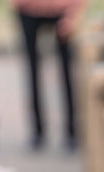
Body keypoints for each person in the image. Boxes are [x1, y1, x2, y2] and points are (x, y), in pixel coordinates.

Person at [11, 0, 88, 150]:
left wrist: (73, 14)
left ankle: (71, 130)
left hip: (62, 9)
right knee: (31, 70)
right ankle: (37, 130)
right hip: (27, 9)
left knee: (66, 72)